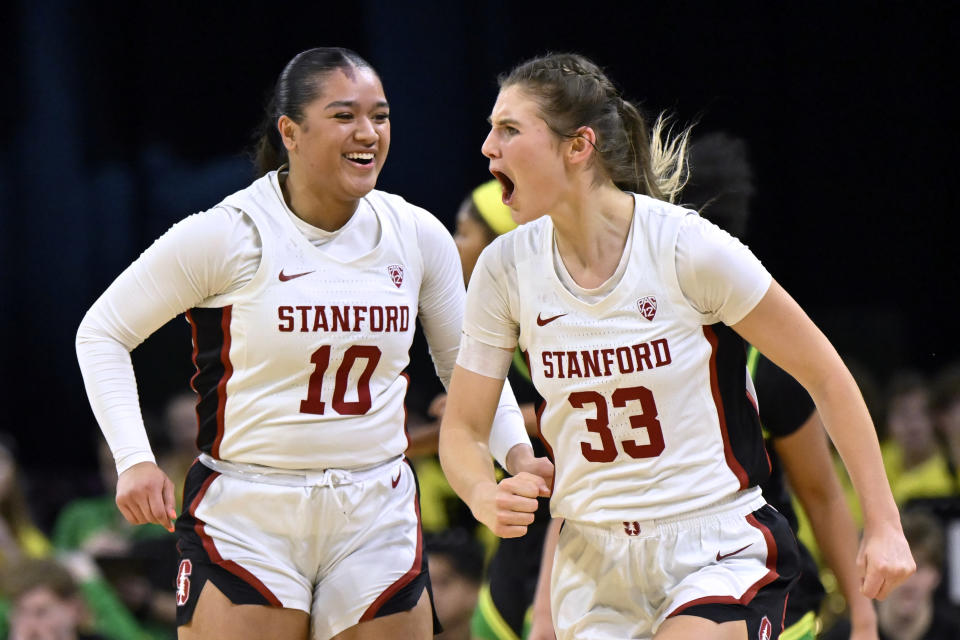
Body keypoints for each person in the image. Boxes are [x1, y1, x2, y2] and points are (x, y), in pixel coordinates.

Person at [438, 52, 915, 640]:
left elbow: (827, 374)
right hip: (590, 557)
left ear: (578, 146)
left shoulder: (686, 249)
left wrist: (884, 523)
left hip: (711, 546)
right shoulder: (504, 269)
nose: (488, 147)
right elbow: (461, 428)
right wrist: (483, 494)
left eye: (508, 129)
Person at [75, 47, 541, 640]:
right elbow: (102, 332)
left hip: (375, 506)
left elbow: (468, 369)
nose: (368, 133)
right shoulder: (228, 233)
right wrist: (135, 458)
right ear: (290, 131)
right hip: (251, 510)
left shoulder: (417, 234)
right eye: (345, 116)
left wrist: (518, 454)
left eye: (381, 115)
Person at [822, 508, 960, 640]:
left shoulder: (954, 632)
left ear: (937, 575)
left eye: (919, 567)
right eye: (898, 565)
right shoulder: (845, 635)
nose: (909, 580)